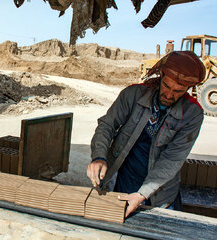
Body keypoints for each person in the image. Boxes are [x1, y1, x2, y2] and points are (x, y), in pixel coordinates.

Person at [87, 51, 205, 217]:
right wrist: (99, 157)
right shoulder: (133, 95)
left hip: (161, 188)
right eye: (167, 86)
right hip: (127, 178)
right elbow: (107, 125)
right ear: (161, 75)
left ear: (188, 89)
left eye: (178, 91)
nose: (170, 94)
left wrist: (142, 194)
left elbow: (172, 159)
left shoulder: (193, 114)